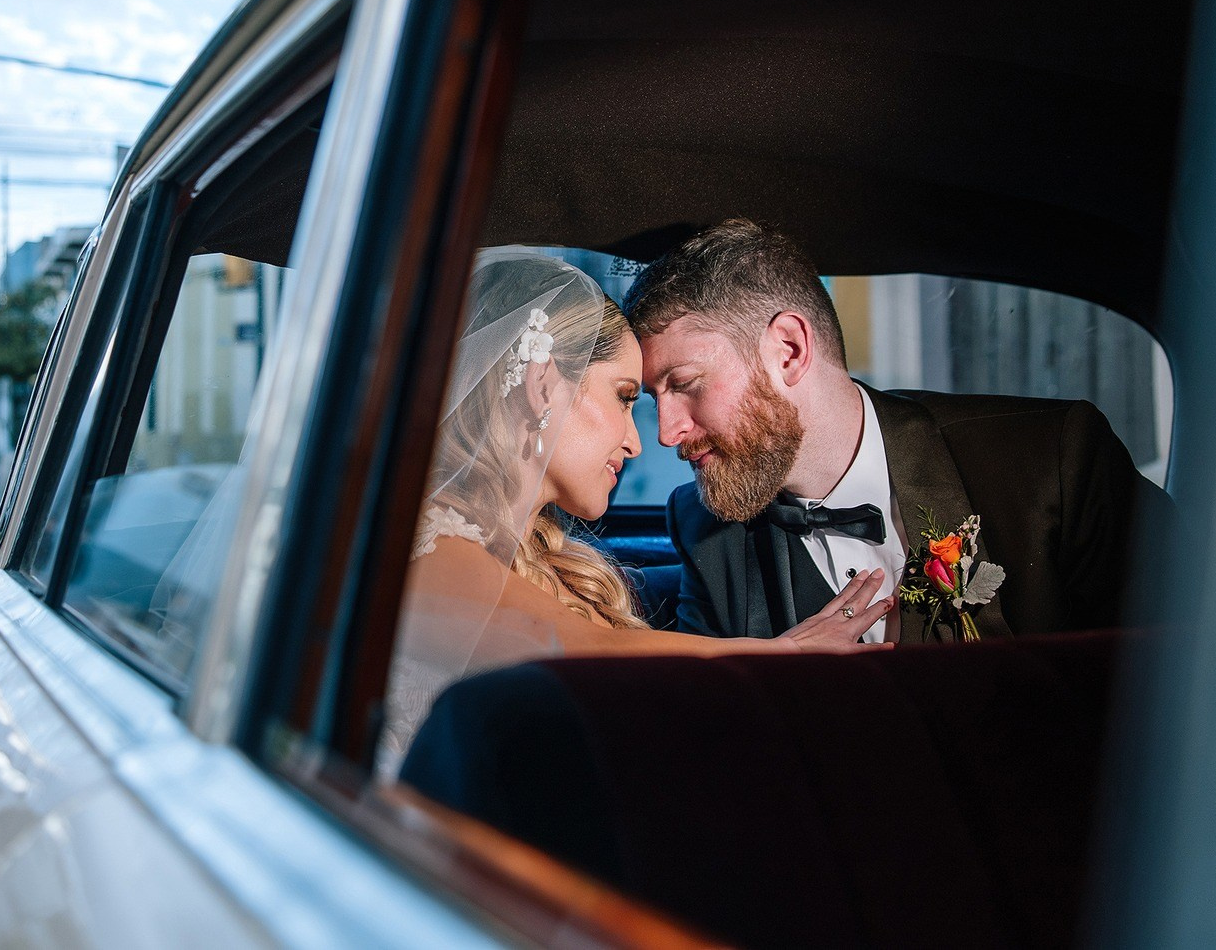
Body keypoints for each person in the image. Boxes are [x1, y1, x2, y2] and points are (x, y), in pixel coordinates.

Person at [380, 250, 891, 772]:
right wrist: (788, 658)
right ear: (541, 387)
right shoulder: (419, 546)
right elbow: (575, 647)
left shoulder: (551, 565)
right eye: (626, 397)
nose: (644, 441)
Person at [626, 219, 1164, 643]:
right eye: (654, 399)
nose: (668, 434)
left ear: (788, 350)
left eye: (687, 383)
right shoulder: (706, 531)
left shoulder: (1055, 462)